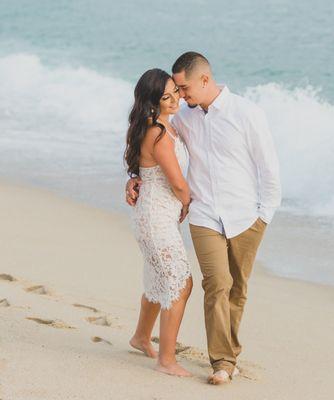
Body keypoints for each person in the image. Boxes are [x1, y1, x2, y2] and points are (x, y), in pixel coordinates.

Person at [126, 52, 281, 385]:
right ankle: (220, 363)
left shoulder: (246, 113)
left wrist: (265, 214)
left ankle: (226, 353)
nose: (180, 97)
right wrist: (136, 176)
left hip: (245, 215)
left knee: (237, 289)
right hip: (203, 214)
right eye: (174, 92)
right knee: (213, 284)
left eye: (182, 88)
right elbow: (150, 139)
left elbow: (268, 168)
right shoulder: (182, 117)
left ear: (205, 80)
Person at [124, 68, 193, 377]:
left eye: (175, 92)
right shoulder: (159, 133)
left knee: (157, 281)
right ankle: (166, 360)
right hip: (155, 216)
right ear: (153, 102)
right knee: (180, 284)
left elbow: (145, 169)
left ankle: (140, 337)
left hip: (156, 214)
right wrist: (188, 202)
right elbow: (177, 182)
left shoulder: (165, 125)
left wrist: (134, 179)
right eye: (166, 97)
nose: (174, 99)